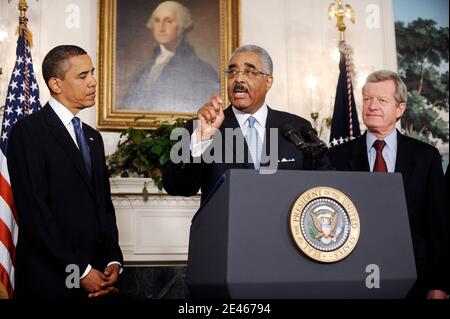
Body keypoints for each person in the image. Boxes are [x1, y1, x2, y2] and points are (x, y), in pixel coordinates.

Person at [7, 45, 123, 299]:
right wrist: (80, 271)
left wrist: (113, 259)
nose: (93, 82)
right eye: (83, 76)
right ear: (56, 84)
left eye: (92, 73)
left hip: (98, 278)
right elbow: (35, 213)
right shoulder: (28, 132)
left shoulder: (93, 138)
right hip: (49, 280)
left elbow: (104, 207)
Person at [328, 70, 449, 299]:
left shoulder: (426, 157)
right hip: (350, 277)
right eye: (367, 99)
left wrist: (439, 284)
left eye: (382, 100)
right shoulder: (336, 157)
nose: (372, 106)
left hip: (415, 279)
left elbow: (439, 226)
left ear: (400, 109)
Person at [163, 45, 330, 202]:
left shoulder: (296, 128)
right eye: (232, 72)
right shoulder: (203, 127)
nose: (238, 79)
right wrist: (200, 142)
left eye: (249, 72)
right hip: (225, 231)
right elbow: (177, 187)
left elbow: (327, 184)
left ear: (268, 81)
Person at [123, 1, 219, 112]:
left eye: (168, 21)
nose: (161, 27)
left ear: (182, 26)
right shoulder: (146, 68)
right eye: (157, 21)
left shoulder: (202, 70)